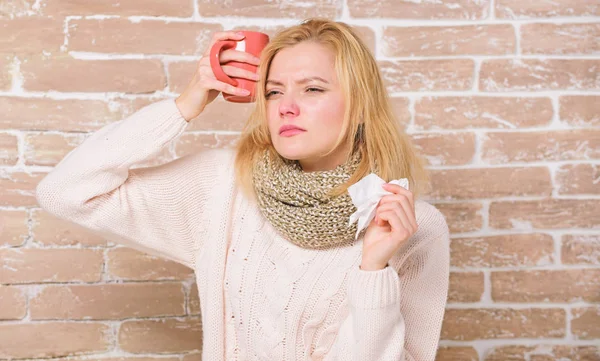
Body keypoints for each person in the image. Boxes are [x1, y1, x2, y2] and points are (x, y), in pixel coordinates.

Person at [36, 18, 450, 361]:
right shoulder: (223, 187)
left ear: (360, 104)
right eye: (273, 91)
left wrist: (372, 270)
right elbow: (66, 192)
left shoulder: (411, 226)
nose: (286, 105)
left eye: (312, 89)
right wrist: (187, 103)